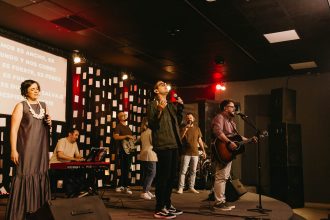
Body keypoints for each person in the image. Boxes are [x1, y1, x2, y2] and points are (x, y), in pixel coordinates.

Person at [6, 80, 52, 220]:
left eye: (37, 89)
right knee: (25, 174)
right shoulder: (21, 106)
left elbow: (47, 124)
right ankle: (21, 213)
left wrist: (50, 122)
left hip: (41, 148)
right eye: (32, 89)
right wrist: (13, 150)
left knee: (40, 175)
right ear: (26, 91)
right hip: (26, 148)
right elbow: (13, 130)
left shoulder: (44, 105)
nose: (36, 91)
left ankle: (39, 212)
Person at [147, 81, 184, 219]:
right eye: (161, 84)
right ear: (156, 91)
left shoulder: (170, 105)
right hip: (163, 144)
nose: (165, 85)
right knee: (163, 177)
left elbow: (177, 122)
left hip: (174, 144)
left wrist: (180, 108)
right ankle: (159, 207)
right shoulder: (153, 104)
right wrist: (159, 110)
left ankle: (167, 204)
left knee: (172, 178)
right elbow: (152, 124)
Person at [211, 99, 256, 211]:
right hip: (222, 150)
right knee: (221, 176)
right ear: (225, 108)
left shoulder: (231, 122)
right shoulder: (220, 117)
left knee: (224, 177)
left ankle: (221, 200)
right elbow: (217, 132)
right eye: (232, 107)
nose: (234, 109)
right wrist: (228, 142)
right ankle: (218, 203)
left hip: (228, 153)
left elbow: (237, 138)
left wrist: (249, 140)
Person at [49, 128, 85, 197]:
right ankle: (70, 192)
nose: (77, 137)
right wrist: (74, 159)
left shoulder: (75, 143)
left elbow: (77, 155)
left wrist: (81, 158)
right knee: (69, 172)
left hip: (66, 165)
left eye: (78, 135)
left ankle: (77, 191)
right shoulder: (62, 141)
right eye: (76, 135)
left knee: (80, 171)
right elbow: (60, 155)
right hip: (56, 165)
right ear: (70, 134)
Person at [177, 112, 206, 194]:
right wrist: (185, 130)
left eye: (190, 117)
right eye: (188, 118)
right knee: (183, 171)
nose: (189, 119)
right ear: (186, 119)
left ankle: (191, 187)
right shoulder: (183, 128)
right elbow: (180, 138)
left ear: (193, 119)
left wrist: (204, 151)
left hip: (195, 153)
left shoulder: (197, 128)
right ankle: (180, 188)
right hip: (186, 152)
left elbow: (200, 140)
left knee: (193, 171)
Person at [113, 111, 135, 195]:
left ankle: (123, 186)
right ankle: (123, 186)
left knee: (127, 168)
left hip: (129, 150)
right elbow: (115, 137)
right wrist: (126, 136)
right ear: (119, 118)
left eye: (125, 115)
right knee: (123, 168)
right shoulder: (118, 126)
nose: (125, 116)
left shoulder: (128, 127)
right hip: (122, 150)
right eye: (123, 115)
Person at [138, 117, 157, 200]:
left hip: (144, 154)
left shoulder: (143, 132)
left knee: (147, 174)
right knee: (152, 173)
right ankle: (144, 192)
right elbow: (154, 143)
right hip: (150, 154)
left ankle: (146, 190)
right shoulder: (151, 132)